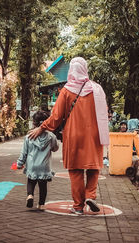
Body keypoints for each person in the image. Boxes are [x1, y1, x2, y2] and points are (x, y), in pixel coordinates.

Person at [28, 57, 109, 215]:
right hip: (94, 134)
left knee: (75, 170)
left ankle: (78, 206)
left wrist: (41, 128)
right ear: (85, 69)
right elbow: (105, 113)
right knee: (93, 167)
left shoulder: (67, 90)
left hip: (74, 134)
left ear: (72, 70)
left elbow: (57, 116)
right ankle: (90, 195)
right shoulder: (97, 89)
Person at [17, 110, 59, 210]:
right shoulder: (51, 136)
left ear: (34, 123)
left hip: (32, 165)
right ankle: (41, 204)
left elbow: (24, 152)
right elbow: (55, 148)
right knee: (43, 186)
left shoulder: (28, 136)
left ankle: (30, 195)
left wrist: (20, 163)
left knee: (31, 181)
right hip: (44, 166)